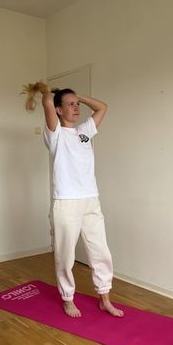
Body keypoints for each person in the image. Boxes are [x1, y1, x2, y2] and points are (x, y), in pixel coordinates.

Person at [22, 81, 124, 318]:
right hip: (66, 202)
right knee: (65, 254)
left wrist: (78, 96)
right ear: (58, 110)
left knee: (101, 251)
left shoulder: (84, 132)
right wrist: (48, 92)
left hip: (91, 200)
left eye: (77, 104)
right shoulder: (55, 133)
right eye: (70, 105)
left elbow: (102, 108)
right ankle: (68, 298)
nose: (76, 108)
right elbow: (48, 102)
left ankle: (104, 298)